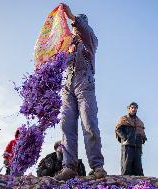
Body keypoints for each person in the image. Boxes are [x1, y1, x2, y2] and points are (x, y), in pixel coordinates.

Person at [54, 3, 106, 181]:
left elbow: (85, 31)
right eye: (74, 27)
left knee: (88, 123)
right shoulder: (69, 44)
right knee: (67, 124)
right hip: (68, 85)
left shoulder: (90, 40)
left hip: (85, 83)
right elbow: (56, 60)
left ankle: (97, 166)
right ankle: (69, 166)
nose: (75, 29)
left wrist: (73, 18)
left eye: (79, 25)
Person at [115, 102, 147, 176]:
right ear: (129, 109)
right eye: (132, 107)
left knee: (138, 167)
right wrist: (125, 138)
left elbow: (142, 132)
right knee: (126, 165)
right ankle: (126, 184)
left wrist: (143, 138)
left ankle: (140, 185)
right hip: (127, 145)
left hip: (138, 146)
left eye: (135, 108)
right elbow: (118, 129)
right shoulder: (124, 119)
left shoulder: (140, 122)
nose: (134, 109)